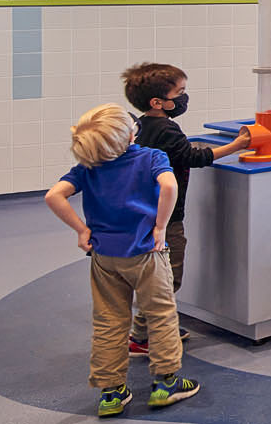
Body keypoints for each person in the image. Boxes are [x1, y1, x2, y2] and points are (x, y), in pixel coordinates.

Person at [44, 104, 202, 416]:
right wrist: (159, 227)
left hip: (104, 256)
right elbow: (169, 186)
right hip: (146, 253)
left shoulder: (88, 166)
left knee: (109, 321)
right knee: (161, 314)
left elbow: (53, 196)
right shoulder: (151, 157)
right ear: (130, 134)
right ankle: (166, 382)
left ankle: (111, 391)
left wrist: (81, 230)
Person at [120, 64, 250, 357]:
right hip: (167, 218)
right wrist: (237, 145)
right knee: (168, 275)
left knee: (155, 272)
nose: (183, 98)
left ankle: (150, 325)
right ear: (158, 102)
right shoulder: (167, 128)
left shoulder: (142, 126)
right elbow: (194, 156)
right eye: (178, 93)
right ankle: (143, 333)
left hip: (144, 212)